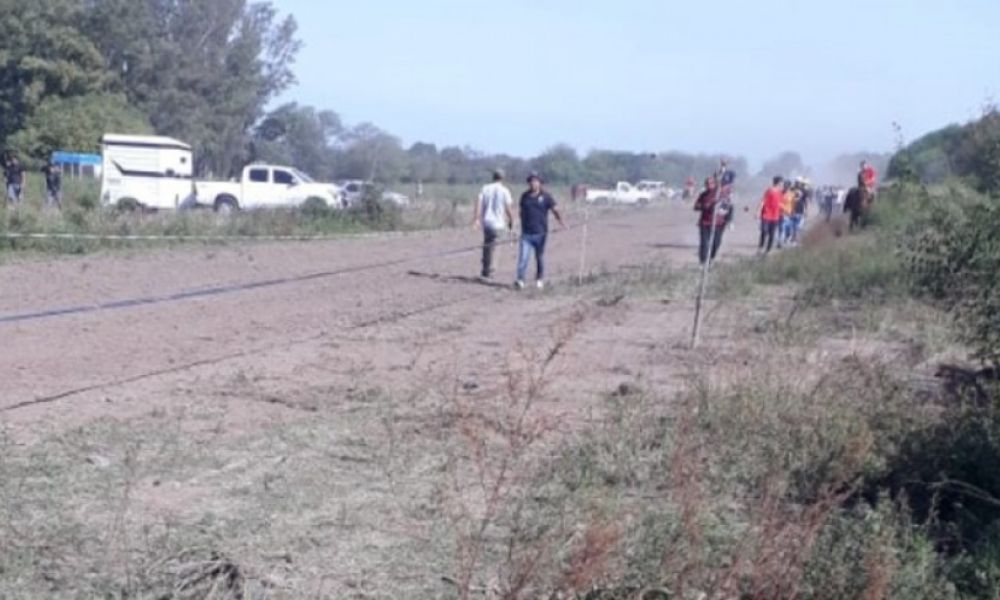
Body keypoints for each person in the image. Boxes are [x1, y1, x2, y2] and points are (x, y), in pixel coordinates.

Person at [515, 172, 565, 290]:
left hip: (541, 233)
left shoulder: (546, 196)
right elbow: (521, 212)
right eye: (531, 181)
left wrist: (561, 222)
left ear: (540, 183)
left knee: (539, 257)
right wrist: (516, 225)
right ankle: (520, 280)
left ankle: (539, 279)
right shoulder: (524, 196)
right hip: (526, 233)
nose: (533, 183)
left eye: (536, 181)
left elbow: (555, 209)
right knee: (523, 258)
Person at [472, 168, 514, 280]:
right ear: (503, 178)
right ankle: (491, 272)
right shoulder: (505, 191)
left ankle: (485, 270)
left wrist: (476, 219)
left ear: (493, 177)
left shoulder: (485, 188)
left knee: (487, 246)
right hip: (499, 224)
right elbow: (508, 208)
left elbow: (479, 204)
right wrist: (511, 220)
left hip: (487, 223)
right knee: (496, 248)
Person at [694, 176, 728, 265]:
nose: (709, 185)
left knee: (716, 243)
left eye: (711, 183)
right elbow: (696, 206)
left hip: (718, 223)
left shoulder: (720, 194)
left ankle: (711, 258)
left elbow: (727, 207)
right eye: (707, 184)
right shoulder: (703, 195)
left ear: (715, 184)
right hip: (705, 223)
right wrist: (704, 206)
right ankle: (703, 262)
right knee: (704, 244)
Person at [758, 176, 784, 254]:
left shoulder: (780, 192)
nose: (782, 184)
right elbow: (763, 201)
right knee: (764, 231)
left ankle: (768, 250)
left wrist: (784, 210)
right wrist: (758, 211)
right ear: (778, 182)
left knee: (772, 234)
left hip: (775, 216)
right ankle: (761, 247)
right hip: (766, 214)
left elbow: (779, 203)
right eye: (781, 182)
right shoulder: (769, 191)